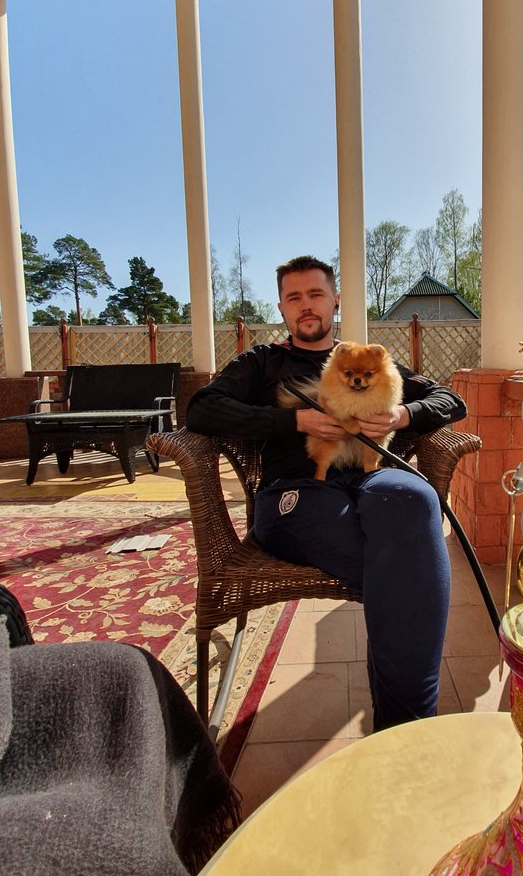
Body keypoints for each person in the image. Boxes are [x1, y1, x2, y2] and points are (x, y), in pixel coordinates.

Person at [186, 254, 467, 730]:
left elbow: (450, 400)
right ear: (282, 308)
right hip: (295, 491)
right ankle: (409, 729)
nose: (306, 305)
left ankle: (405, 732)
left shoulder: (366, 360)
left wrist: (401, 415)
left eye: (315, 294)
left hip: (370, 477)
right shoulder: (262, 362)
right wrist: (294, 420)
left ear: (334, 301)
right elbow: (201, 409)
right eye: (294, 297)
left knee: (414, 499)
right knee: (410, 571)